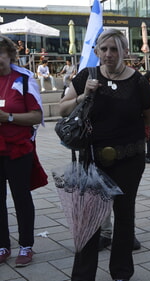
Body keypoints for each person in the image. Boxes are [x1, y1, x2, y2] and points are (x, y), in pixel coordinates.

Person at [59, 28, 150, 281]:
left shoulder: (137, 81)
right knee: (89, 218)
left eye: (115, 49)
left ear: (125, 51)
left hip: (129, 159)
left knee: (124, 217)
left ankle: (121, 273)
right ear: (97, 52)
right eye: (104, 49)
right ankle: (83, 276)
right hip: (93, 159)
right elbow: (63, 109)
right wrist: (84, 95)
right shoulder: (86, 76)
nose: (109, 54)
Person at [0, 35, 44, 267]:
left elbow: (37, 116)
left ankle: (26, 245)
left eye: (0, 53)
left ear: (9, 54)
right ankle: (2, 245)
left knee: (21, 197)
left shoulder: (23, 79)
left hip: (18, 149)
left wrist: (8, 117)